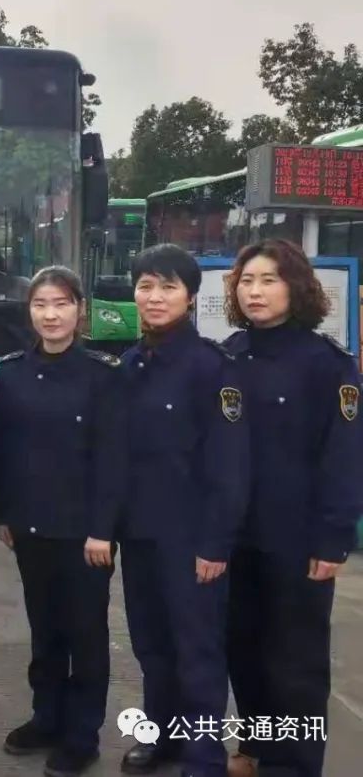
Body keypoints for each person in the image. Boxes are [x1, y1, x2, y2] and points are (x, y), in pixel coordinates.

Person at [221, 240, 363, 777]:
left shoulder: (327, 364)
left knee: (296, 663)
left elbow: (344, 455)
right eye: (246, 280)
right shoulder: (228, 355)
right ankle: (257, 747)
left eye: (269, 280)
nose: (254, 291)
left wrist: (333, 537)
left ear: (296, 286)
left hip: (299, 541)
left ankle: (295, 765)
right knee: (243, 650)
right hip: (236, 537)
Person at [0, 266, 127, 777]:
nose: (51, 314)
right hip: (30, 528)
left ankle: (81, 735)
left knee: (85, 635)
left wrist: (103, 529)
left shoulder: (103, 374)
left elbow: (113, 459)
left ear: (79, 310)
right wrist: (2, 513)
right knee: (44, 631)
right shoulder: (12, 373)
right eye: (41, 304)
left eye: (62, 304)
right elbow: (1, 448)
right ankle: (46, 718)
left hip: (84, 534)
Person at [118, 244, 249, 777]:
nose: (155, 297)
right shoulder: (130, 363)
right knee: (151, 646)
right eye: (146, 286)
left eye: (168, 287)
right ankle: (162, 738)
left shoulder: (213, 368)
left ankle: (203, 756)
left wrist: (215, 543)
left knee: (197, 651)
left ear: (190, 297)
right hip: (139, 534)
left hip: (192, 539)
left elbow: (230, 465)